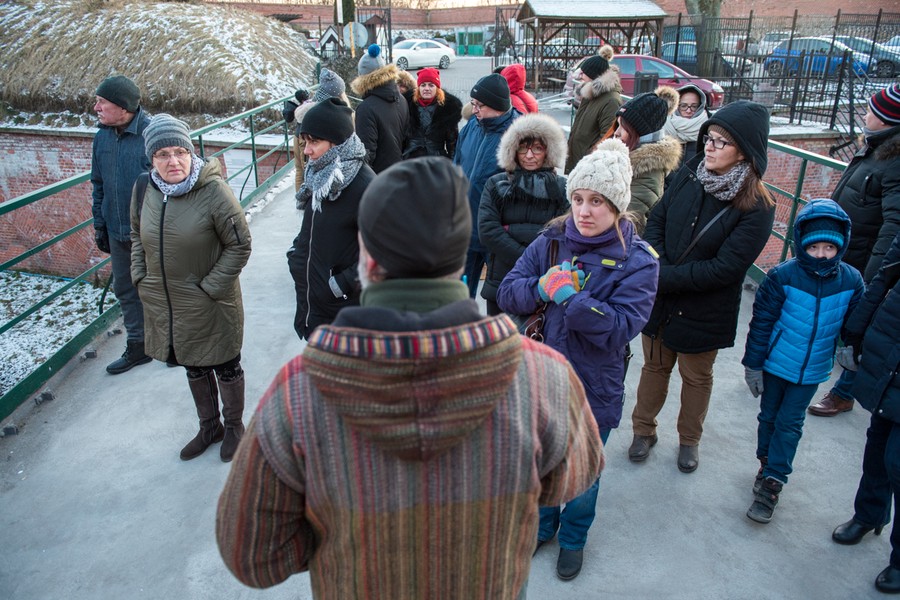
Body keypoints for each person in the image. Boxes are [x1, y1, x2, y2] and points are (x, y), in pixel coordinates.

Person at [216, 157, 604, 599]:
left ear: (367, 256)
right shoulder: (545, 377)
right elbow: (573, 478)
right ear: (460, 255)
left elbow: (252, 558)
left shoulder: (297, 393)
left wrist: (339, 537)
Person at [497, 139, 659, 581]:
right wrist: (541, 288)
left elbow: (621, 328)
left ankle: (573, 538)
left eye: (597, 202)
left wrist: (572, 298)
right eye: (578, 199)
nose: (584, 212)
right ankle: (544, 526)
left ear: (618, 206)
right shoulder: (552, 240)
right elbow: (508, 290)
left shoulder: (637, 262)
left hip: (593, 385)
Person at [629, 100, 777, 473]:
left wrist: (662, 276)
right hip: (663, 297)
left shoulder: (758, 205)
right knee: (654, 366)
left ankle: (689, 441)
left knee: (696, 377)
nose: (708, 147)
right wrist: (656, 258)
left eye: (720, 142)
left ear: (745, 151)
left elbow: (726, 268)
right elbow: (659, 217)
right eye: (708, 138)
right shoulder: (691, 171)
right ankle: (643, 431)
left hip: (704, 309)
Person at [130, 114, 252, 462]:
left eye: (180, 152)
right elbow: (136, 237)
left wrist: (210, 287)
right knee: (193, 365)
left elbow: (240, 245)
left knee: (226, 365)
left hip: (213, 302)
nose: (173, 161)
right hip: (169, 304)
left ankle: (233, 427)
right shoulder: (144, 190)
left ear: (191, 152)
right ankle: (208, 426)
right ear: (151, 159)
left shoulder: (213, 191)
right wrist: (142, 277)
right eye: (162, 154)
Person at [741, 199, 863, 523]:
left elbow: (856, 323)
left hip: (811, 371)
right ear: (801, 245)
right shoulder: (782, 276)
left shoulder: (851, 281)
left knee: (790, 423)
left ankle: (773, 482)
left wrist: (853, 348)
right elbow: (762, 323)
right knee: (768, 417)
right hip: (775, 364)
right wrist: (752, 365)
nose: (822, 254)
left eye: (829, 247)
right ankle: (765, 461)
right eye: (814, 247)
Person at [808, 83, 900, 417]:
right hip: (843, 254)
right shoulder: (875, 149)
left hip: (861, 265)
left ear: (887, 119)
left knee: (853, 328)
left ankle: (844, 392)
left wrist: (874, 279)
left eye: (871, 110)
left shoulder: (894, 161)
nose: (865, 113)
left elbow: (893, 228)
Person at [830, 231, 900, 594]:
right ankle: (869, 515)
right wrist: (856, 332)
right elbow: (885, 275)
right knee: (877, 442)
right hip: (891, 344)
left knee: (897, 461)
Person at [286, 98, 375, 341]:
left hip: (345, 313)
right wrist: (297, 256)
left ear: (337, 143)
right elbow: (313, 228)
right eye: (305, 142)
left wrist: (339, 285)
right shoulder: (321, 174)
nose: (306, 150)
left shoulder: (366, 187)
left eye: (314, 142)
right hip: (315, 305)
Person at [90, 75, 152, 375]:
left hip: (152, 233)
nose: (96, 107)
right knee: (126, 290)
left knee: (162, 288)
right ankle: (138, 346)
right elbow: (98, 184)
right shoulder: (101, 137)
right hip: (117, 230)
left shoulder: (152, 134)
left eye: (102, 102)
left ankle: (171, 344)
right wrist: (100, 225)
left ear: (123, 106)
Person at [478, 113, 569, 315]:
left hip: (544, 283)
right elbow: (487, 231)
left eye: (537, 148)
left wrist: (510, 231)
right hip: (501, 282)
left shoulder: (563, 188)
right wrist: (528, 256)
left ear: (549, 151)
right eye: (522, 147)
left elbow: (562, 232)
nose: (529, 156)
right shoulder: (496, 184)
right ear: (513, 149)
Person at [453, 73, 520, 298]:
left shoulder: (518, 136)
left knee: (499, 299)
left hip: (496, 234)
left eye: (479, 105)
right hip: (466, 229)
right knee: (460, 297)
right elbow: (457, 167)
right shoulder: (472, 126)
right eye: (473, 104)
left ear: (498, 107)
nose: (474, 110)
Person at [608, 86, 683, 232]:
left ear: (641, 135)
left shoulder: (646, 175)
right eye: (617, 125)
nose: (616, 133)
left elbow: (624, 225)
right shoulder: (624, 161)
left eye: (623, 128)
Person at [350, 44, 409, 173]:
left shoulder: (366, 108)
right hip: (399, 172)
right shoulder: (402, 99)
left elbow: (366, 154)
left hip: (378, 179)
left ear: (362, 77)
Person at [292, 69, 351, 192]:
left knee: (301, 171)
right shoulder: (341, 116)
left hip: (298, 138)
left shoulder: (309, 111)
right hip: (318, 183)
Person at [565, 45, 621, 173]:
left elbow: (607, 138)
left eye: (583, 73)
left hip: (591, 167)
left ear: (593, 75)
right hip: (580, 162)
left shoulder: (611, 100)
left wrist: (590, 158)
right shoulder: (590, 93)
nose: (580, 76)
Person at [402, 67, 463, 159]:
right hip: (410, 159)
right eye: (423, 85)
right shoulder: (406, 105)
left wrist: (452, 166)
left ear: (437, 88)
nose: (426, 89)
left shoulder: (448, 109)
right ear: (418, 88)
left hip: (436, 161)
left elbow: (452, 143)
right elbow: (400, 137)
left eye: (431, 85)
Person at [662, 84, 710, 171]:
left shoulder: (708, 129)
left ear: (700, 106)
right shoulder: (663, 125)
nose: (688, 111)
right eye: (683, 106)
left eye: (694, 106)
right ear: (676, 106)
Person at [282, 87, 310, 192]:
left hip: (297, 135)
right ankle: (305, 198)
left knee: (299, 169)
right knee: (306, 169)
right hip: (304, 138)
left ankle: (299, 197)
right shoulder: (310, 106)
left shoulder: (297, 108)